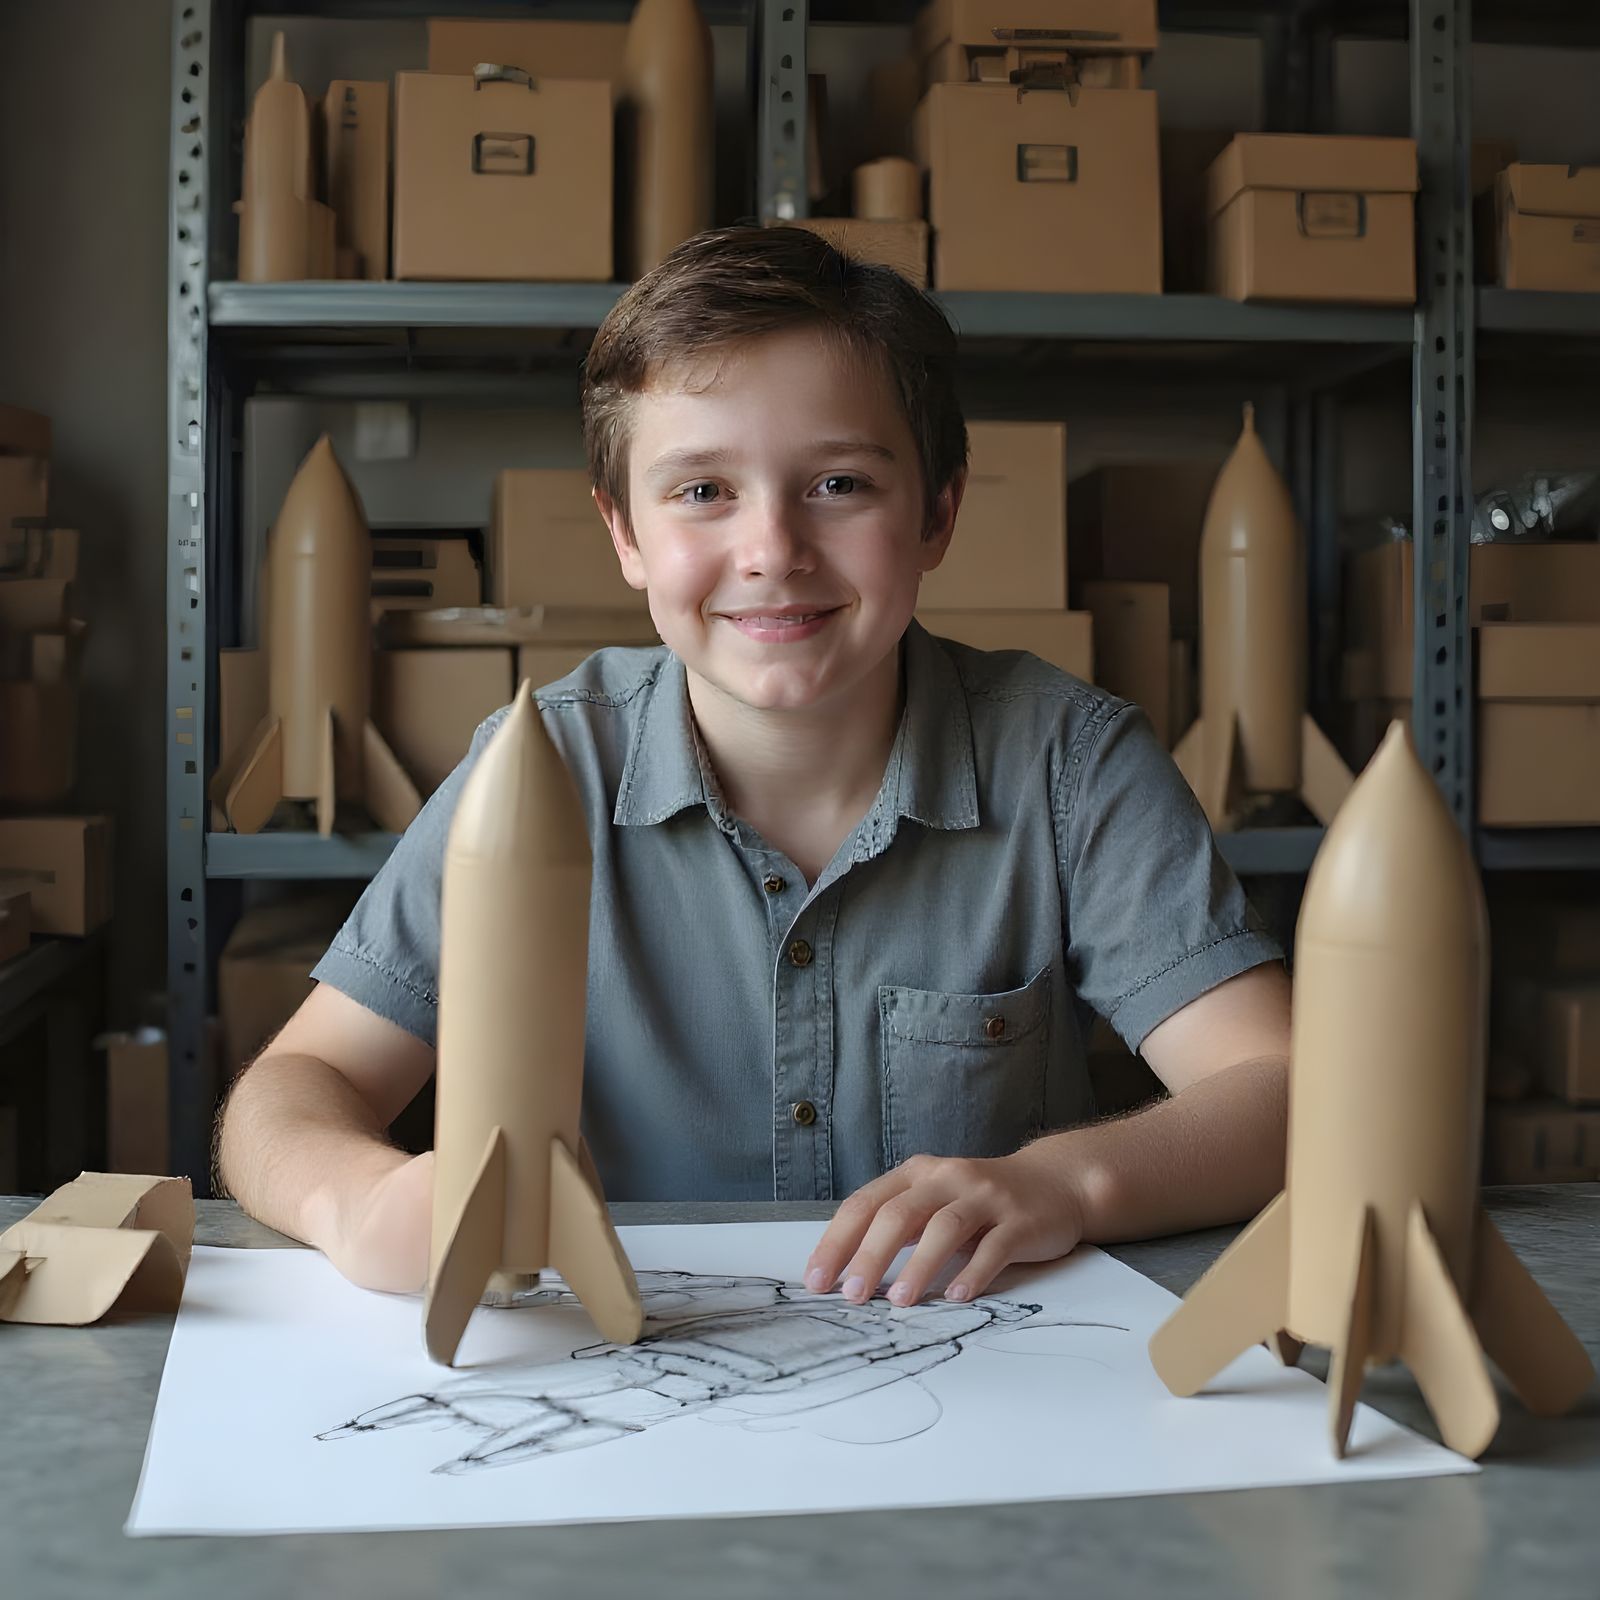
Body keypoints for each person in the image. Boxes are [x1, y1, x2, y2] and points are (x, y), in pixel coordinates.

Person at [217, 225, 1291, 1312]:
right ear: (623, 532)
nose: (773, 548)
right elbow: (295, 1089)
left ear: (938, 512)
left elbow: (1287, 1086)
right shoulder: (543, 764)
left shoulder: (1071, 761)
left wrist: (1065, 1178)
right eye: (701, 492)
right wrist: (360, 1202)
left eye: (837, 482)